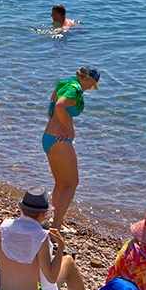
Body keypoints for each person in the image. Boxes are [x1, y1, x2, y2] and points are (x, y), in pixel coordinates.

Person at [0, 187, 89, 290]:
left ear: (21, 208)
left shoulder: (5, 227)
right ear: (44, 214)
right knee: (69, 261)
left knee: (30, 265)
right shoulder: (41, 236)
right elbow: (51, 278)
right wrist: (61, 247)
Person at [44, 65, 101, 231]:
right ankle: (56, 225)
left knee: (61, 183)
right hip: (60, 141)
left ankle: (55, 220)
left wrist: (64, 123)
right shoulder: (74, 89)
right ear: (88, 79)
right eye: (92, 84)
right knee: (72, 183)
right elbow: (59, 106)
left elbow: (52, 108)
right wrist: (66, 127)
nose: (91, 88)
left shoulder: (64, 84)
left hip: (48, 138)